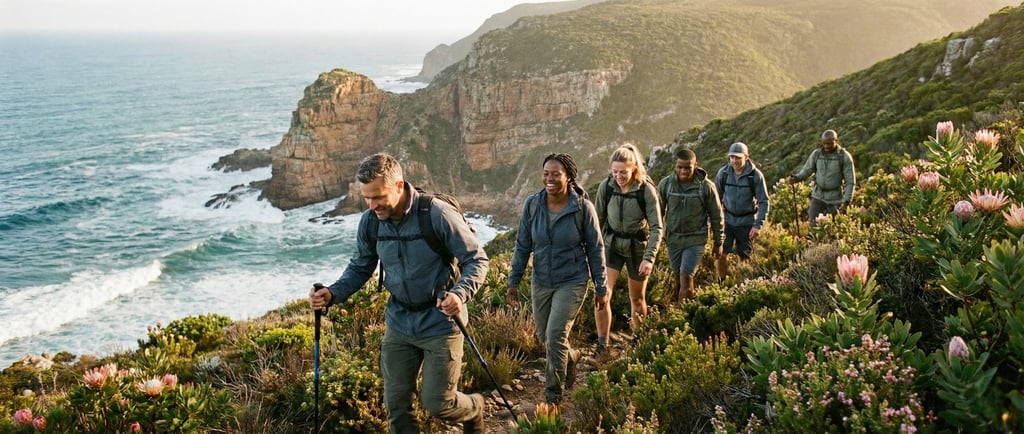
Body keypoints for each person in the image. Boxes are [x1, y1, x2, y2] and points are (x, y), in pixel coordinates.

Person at [309, 153, 489, 434]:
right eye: (367, 198)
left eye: (378, 197)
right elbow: (360, 266)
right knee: (396, 407)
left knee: (437, 403)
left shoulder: (437, 214)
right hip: (399, 322)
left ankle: (475, 408)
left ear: (399, 186)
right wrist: (332, 294)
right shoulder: (371, 222)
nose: (372, 205)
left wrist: (459, 294)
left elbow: (477, 260)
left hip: (441, 323)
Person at [506, 153, 606, 405]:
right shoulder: (533, 205)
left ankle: (553, 397)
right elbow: (522, 245)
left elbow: (595, 248)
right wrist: (513, 281)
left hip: (572, 280)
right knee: (546, 337)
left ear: (569, 177)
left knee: (555, 335)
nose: (549, 179)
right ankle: (570, 357)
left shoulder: (582, 207)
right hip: (541, 280)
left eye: (555, 174)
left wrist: (601, 286)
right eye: (546, 173)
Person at [594, 144, 663, 349]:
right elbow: (596, 221)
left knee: (637, 299)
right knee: (602, 294)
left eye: (623, 172)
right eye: (615, 172)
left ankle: (638, 341)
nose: (618, 176)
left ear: (634, 168)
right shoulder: (606, 187)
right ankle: (602, 345)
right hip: (612, 246)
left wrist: (649, 258)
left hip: (637, 249)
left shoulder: (646, 190)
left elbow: (657, 227)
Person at [657, 149, 724, 302]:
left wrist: (718, 242)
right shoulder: (666, 184)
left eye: (688, 167)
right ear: (675, 166)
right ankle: (681, 308)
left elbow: (716, 215)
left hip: (695, 239)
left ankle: (683, 318)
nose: (683, 171)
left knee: (686, 277)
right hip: (673, 239)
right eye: (680, 167)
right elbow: (657, 212)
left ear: (696, 165)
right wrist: (656, 236)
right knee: (677, 278)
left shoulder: (706, 187)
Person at [714, 142, 769, 279]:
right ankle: (722, 283)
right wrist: (713, 221)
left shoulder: (755, 176)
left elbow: (764, 201)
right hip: (727, 221)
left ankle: (743, 285)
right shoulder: (723, 174)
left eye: (738, 157)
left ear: (747, 157)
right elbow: (715, 200)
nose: (734, 161)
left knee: (744, 256)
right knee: (721, 254)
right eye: (731, 157)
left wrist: (758, 225)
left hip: (746, 222)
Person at [787, 129, 856, 226]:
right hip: (818, 195)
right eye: (824, 144)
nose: (826, 146)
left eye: (829, 144)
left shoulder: (844, 157)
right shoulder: (816, 154)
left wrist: (846, 202)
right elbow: (807, 170)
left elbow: (850, 182)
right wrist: (797, 178)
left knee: (834, 228)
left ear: (836, 141)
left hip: (835, 198)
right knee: (813, 224)